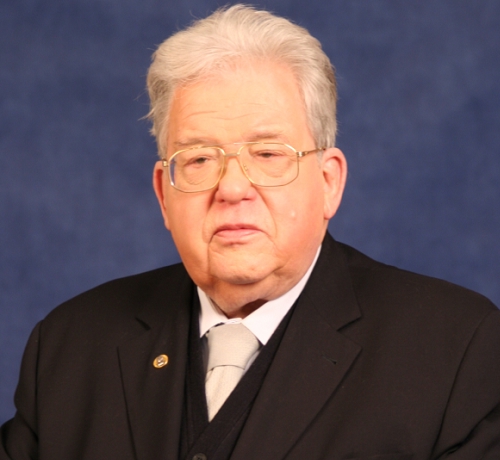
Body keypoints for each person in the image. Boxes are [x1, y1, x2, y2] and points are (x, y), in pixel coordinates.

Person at [1, 4, 500, 459]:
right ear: (164, 194)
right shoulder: (69, 347)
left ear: (328, 182)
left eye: (267, 154)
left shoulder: (457, 350)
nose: (233, 188)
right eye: (199, 159)